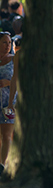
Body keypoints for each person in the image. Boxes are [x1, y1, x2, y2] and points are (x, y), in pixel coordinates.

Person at [0, 33, 16, 170]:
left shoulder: (13, 60)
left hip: (8, 102)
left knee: (6, 134)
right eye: (4, 42)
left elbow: (20, 82)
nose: (7, 46)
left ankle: (2, 165)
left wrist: (7, 83)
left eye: (9, 43)